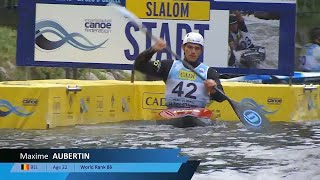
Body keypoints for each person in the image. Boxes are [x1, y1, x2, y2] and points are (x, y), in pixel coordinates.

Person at [134, 32, 226, 127]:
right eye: (190, 47)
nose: (193, 51)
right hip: (173, 112)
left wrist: (213, 90)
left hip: (198, 114)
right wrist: (153, 50)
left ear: (201, 51)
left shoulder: (209, 72)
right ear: (183, 48)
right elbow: (139, 65)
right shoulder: (169, 66)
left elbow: (221, 98)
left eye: (197, 48)